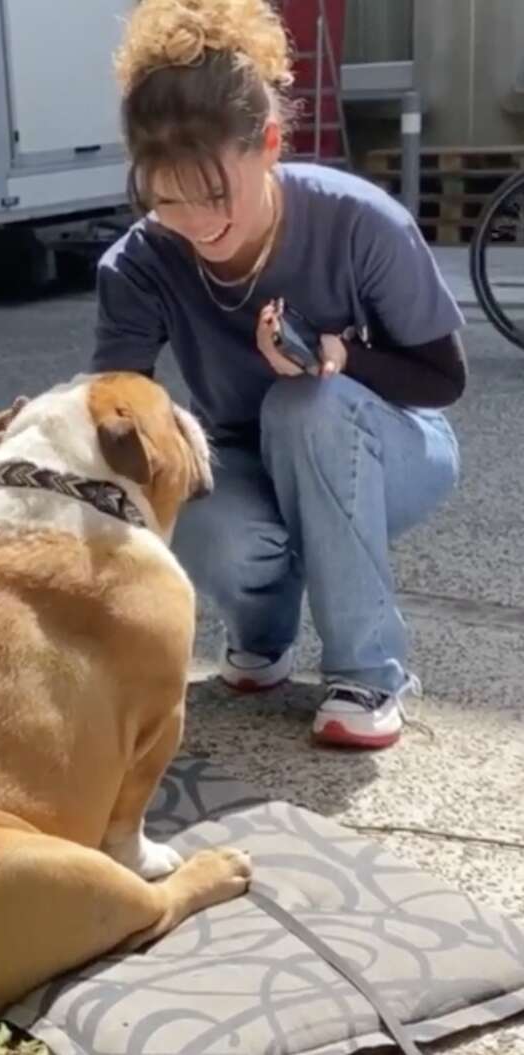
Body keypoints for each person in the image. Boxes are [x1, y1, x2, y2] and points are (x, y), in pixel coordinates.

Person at [90, 0, 467, 750]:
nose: (195, 222)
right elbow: (120, 413)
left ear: (267, 144)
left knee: (307, 409)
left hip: (387, 445)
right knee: (190, 503)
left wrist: (341, 358)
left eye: (213, 194)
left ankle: (368, 668)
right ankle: (262, 641)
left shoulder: (358, 221)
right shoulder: (137, 263)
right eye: (166, 198)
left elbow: (443, 378)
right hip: (244, 456)